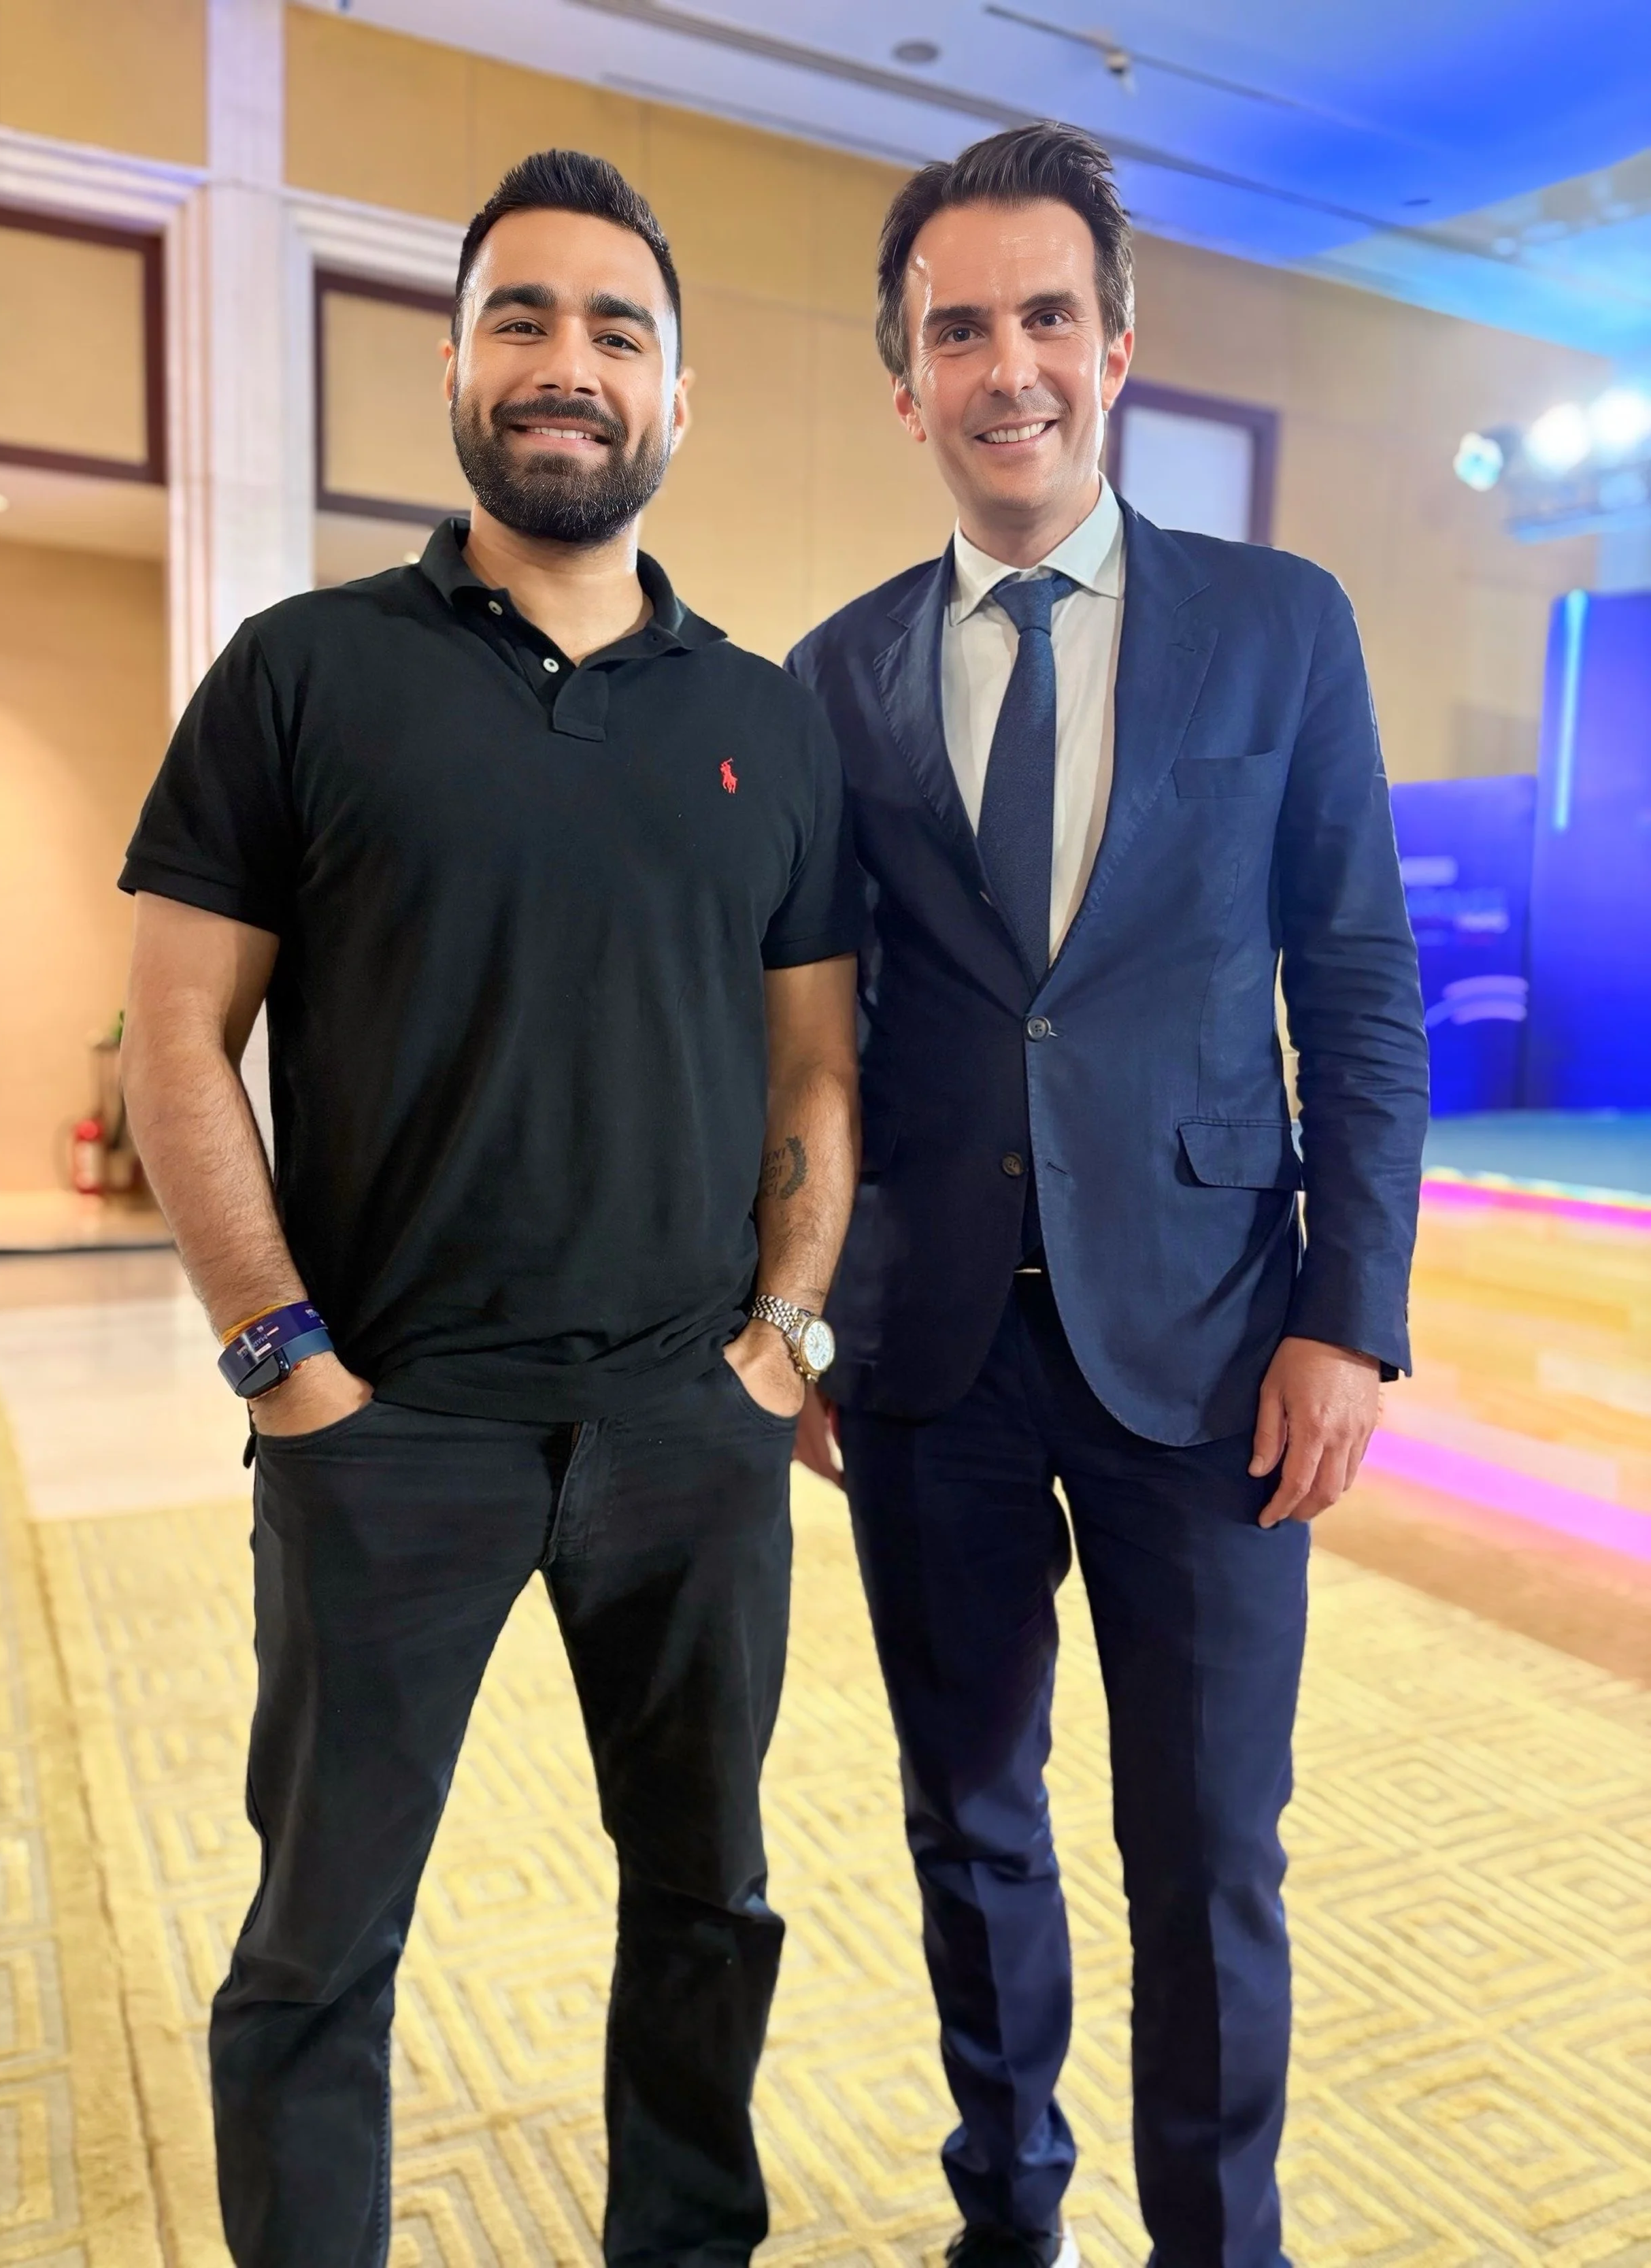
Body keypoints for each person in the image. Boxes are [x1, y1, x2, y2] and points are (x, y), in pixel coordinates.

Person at [120, 149, 861, 2268]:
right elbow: (177, 1037)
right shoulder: (300, 673)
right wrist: (286, 1368)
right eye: (522, 318)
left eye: (616, 328)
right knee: (317, 1941)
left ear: (677, 400)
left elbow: (813, 1066)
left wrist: (778, 1339)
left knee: (706, 1902)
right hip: (390, 1430)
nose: (567, 364)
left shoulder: (762, 721)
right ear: (450, 366)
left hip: (686, 1436)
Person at [788, 122, 1428, 2268]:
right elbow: (806, 1034)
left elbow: (1353, 983)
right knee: (971, 1826)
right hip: (928, 1350)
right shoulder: (836, 672)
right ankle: (1010, 2218)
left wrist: (1350, 1312)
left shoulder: (1278, 626)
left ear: (1117, 342)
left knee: (1204, 1851)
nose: (1006, 367)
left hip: (1220, 1337)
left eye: (1043, 315)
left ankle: (1210, 2243)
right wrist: (793, 1305)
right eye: (955, 329)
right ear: (902, 381)